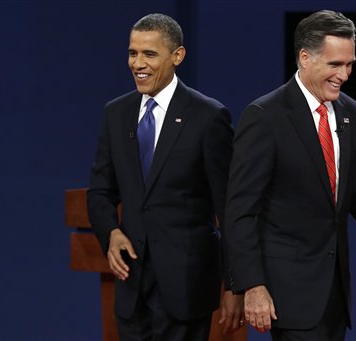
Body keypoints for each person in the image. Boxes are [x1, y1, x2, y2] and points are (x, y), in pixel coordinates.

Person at [224, 10, 356, 341]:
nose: (345, 74)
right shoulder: (265, 116)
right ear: (305, 58)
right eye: (335, 64)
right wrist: (252, 285)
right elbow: (240, 210)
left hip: (335, 293)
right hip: (288, 291)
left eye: (350, 64)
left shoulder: (351, 113)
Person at [87, 13, 243, 340]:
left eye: (149, 54)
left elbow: (230, 209)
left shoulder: (208, 116)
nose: (137, 63)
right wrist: (110, 233)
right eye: (133, 53)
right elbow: (100, 191)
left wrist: (234, 285)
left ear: (177, 56)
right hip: (132, 282)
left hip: (185, 285)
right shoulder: (116, 114)